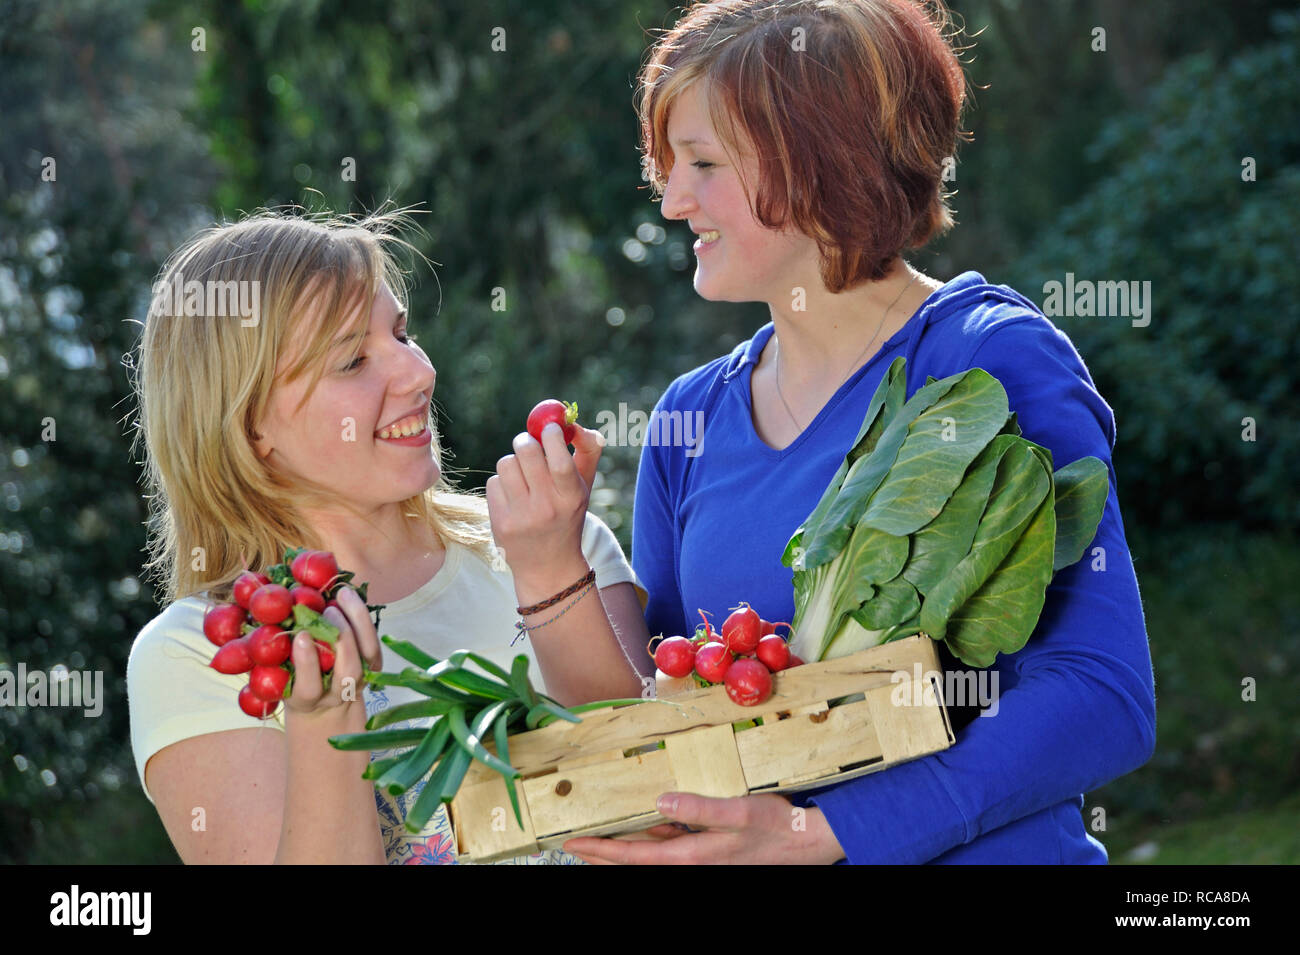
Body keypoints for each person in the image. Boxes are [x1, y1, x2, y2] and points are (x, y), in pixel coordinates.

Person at [563, 0, 1156, 864]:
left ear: (817, 162)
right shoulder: (687, 419)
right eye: (669, 165)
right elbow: (669, 715)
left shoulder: (985, 359)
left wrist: (826, 835)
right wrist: (549, 557)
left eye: (702, 163)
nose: (674, 199)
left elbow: (1103, 695)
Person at [125, 207, 648, 865]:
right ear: (251, 426)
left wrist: (551, 578)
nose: (417, 373)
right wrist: (327, 720)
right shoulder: (198, 656)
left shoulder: (561, 542)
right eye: (352, 359)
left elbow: (665, 803)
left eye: (402, 333)